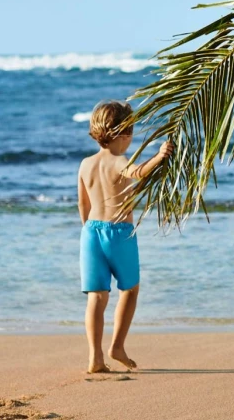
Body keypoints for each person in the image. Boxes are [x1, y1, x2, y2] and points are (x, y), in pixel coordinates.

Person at [76, 100, 173, 374]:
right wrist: (159, 156)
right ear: (125, 133)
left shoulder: (85, 164)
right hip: (119, 233)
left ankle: (95, 358)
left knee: (96, 297)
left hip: (90, 233)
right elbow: (137, 172)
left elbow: (83, 203)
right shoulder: (120, 161)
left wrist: (88, 229)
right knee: (129, 289)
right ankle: (117, 346)